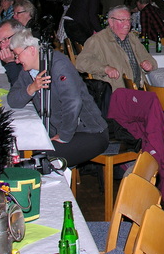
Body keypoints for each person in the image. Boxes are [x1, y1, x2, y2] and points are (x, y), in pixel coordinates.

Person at [7, 29, 108, 167]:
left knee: (40, 160)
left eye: (17, 55)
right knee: (24, 148)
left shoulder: (58, 64)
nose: (17, 61)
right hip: (60, 132)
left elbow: (73, 103)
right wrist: (31, 88)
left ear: (31, 50)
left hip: (91, 132)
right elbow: (12, 100)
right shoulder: (29, 71)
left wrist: (64, 136)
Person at [76, 5, 157, 90]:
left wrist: (149, 64)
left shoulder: (132, 38)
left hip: (138, 89)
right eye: (122, 20)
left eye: (129, 20)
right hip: (116, 92)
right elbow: (81, 62)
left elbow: (148, 58)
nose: (127, 24)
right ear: (111, 22)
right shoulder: (98, 40)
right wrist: (105, 69)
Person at [0, 19, 24, 86]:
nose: (2, 47)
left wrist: (11, 63)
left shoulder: (30, 53)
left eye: (5, 39)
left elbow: (19, 87)